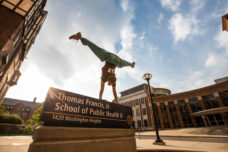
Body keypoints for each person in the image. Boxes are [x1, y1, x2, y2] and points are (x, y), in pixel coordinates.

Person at [69, 32, 135, 104]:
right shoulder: (105, 77)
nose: (109, 85)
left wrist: (116, 101)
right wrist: (100, 99)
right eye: (109, 84)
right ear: (109, 81)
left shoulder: (114, 78)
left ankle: (131, 64)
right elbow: (102, 89)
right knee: (94, 48)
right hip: (108, 57)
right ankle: (80, 37)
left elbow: (114, 92)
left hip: (116, 59)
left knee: (122, 63)